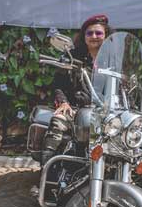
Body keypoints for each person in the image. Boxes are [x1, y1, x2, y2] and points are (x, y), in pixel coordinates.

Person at [40, 14, 113, 165]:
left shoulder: (113, 60)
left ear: (106, 36)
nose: (94, 36)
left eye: (98, 33)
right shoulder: (73, 57)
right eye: (89, 33)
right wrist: (63, 103)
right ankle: (47, 170)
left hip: (105, 113)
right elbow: (58, 84)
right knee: (58, 122)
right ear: (84, 36)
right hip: (76, 109)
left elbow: (125, 84)